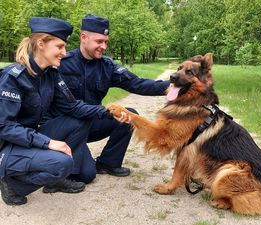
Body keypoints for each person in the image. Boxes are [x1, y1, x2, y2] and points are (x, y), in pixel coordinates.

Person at [0, 17, 115, 206]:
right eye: (59, 46)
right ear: (41, 44)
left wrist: (107, 111)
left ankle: (55, 178)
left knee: (81, 127)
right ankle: (11, 182)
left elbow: (73, 107)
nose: (64, 52)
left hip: (29, 137)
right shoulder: (12, 77)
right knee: (62, 164)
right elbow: (5, 127)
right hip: (9, 145)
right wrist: (48, 143)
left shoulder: (50, 74)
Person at [57, 14, 170, 177]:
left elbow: (137, 84)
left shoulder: (107, 66)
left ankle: (108, 163)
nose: (103, 46)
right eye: (99, 41)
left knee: (128, 114)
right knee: (83, 175)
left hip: (93, 122)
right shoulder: (62, 63)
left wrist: (172, 85)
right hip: (69, 129)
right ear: (83, 37)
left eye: (106, 42)